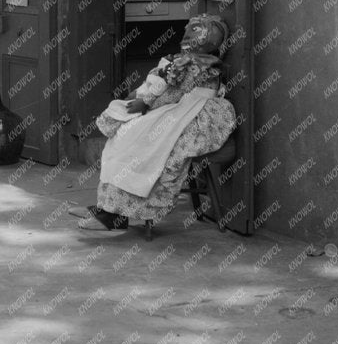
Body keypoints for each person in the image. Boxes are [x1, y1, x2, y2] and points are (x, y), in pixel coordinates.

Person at [76, 16, 236, 231]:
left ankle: (115, 214)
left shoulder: (195, 65)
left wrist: (144, 102)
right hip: (178, 109)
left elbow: (172, 93)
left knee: (139, 144)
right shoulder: (186, 61)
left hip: (188, 114)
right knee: (125, 137)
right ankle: (108, 207)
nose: (187, 36)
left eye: (193, 34)